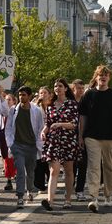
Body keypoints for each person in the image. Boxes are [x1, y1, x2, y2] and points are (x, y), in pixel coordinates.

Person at [78, 65, 112, 213]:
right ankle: (94, 197)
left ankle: (108, 194)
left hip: (109, 137)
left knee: (109, 166)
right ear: (96, 77)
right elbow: (82, 117)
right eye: (100, 75)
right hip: (91, 136)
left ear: (109, 78)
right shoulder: (88, 95)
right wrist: (80, 135)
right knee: (94, 166)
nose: (103, 77)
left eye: (105, 75)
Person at [41, 79, 80, 210]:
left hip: (68, 141)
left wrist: (60, 124)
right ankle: (49, 201)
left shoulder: (72, 104)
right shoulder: (50, 105)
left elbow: (74, 124)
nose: (57, 88)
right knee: (54, 170)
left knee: (69, 171)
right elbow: (47, 123)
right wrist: (43, 131)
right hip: (53, 141)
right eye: (55, 86)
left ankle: (67, 199)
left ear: (66, 89)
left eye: (60, 86)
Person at [5, 86, 44, 208]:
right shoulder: (13, 110)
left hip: (32, 146)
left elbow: (40, 128)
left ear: (30, 96)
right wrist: (11, 144)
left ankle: (29, 190)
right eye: (20, 95)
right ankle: (20, 196)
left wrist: (39, 144)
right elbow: (9, 128)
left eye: (24, 95)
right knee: (20, 171)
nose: (22, 97)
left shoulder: (36, 111)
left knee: (30, 171)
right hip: (18, 146)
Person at [71, 79, 88, 201]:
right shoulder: (70, 103)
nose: (81, 90)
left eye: (82, 88)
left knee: (83, 164)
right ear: (73, 89)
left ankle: (80, 190)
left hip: (84, 136)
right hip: (71, 137)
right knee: (71, 165)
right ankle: (69, 186)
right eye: (78, 88)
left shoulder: (87, 102)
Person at [1, 93, 17, 191]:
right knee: (6, 158)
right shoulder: (3, 112)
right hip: (3, 137)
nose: (7, 102)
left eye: (9, 100)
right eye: (5, 100)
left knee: (16, 159)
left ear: (14, 101)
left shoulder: (16, 111)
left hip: (14, 138)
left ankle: (17, 176)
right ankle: (9, 180)